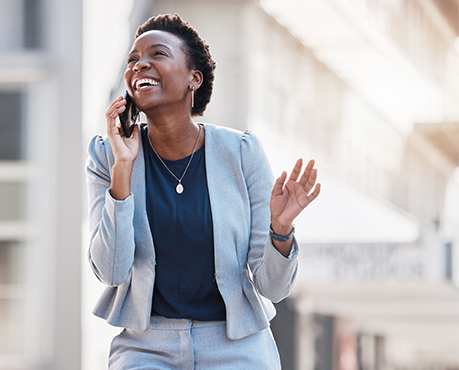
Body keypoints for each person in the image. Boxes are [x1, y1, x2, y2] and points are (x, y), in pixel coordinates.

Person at [86, 13, 321, 369]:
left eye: (158, 54)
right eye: (133, 59)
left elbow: (273, 288)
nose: (140, 65)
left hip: (234, 343)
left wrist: (281, 229)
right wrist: (123, 169)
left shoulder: (241, 152)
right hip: (147, 346)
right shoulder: (107, 155)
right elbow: (111, 271)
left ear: (194, 78)